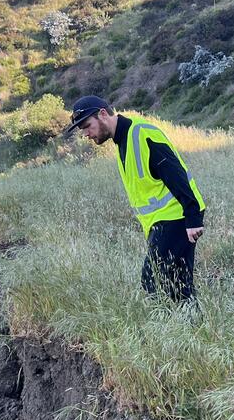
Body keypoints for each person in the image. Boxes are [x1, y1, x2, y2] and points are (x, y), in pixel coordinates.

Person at [63, 95, 206, 306]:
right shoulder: (122, 139)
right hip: (161, 222)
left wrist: (193, 217)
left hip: (176, 218)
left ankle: (181, 327)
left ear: (103, 114)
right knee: (175, 285)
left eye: (87, 126)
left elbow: (175, 174)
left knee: (155, 282)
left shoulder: (141, 134)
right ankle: (191, 327)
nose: (85, 134)